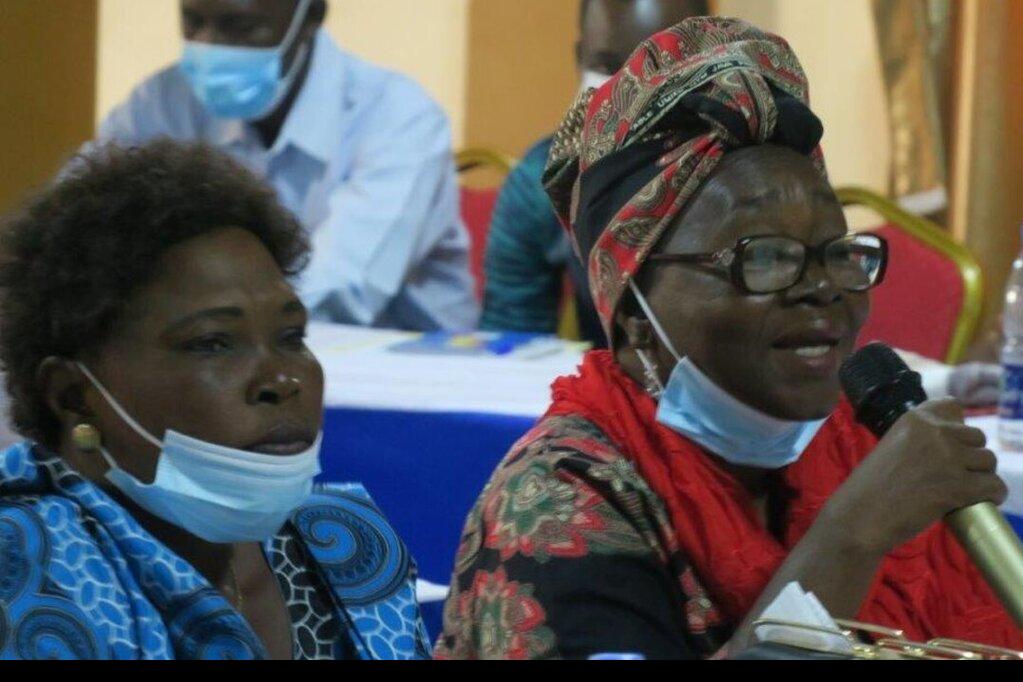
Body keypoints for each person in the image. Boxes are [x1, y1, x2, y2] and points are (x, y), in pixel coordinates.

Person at [436, 18, 1021, 659]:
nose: (822, 287)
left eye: (837, 253)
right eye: (763, 257)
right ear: (634, 314)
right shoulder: (560, 503)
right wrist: (855, 532)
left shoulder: (855, 448)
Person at [0, 141, 430, 660]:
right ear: (74, 396)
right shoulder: (26, 572)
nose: (281, 379)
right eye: (213, 343)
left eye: (291, 336)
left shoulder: (343, 540)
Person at [97, 0, 477, 332]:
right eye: (192, 21)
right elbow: (90, 226)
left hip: (400, 365)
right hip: (207, 350)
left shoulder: (398, 115)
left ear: (310, 16)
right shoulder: (161, 103)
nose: (209, 44)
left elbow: (340, 286)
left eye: (239, 25)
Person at [480, 0, 708, 347]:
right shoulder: (543, 181)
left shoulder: (753, 177)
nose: (630, 91)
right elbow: (511, 343)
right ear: (579, 59)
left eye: (660, 65)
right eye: (607, 66)